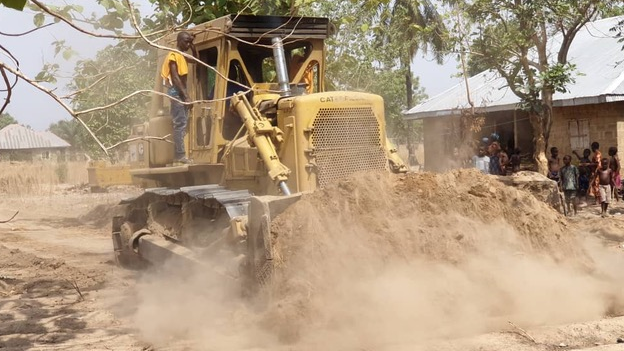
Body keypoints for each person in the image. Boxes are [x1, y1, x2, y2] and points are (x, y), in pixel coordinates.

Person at [160, 31, 197, 164]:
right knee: (180, 124)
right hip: (177, 93)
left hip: (181, 93)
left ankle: (181, 154)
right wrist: (186, 97)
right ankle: (180, 155)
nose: (187, 44)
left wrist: (193, 46)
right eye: (186, 42)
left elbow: (196, 60)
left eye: (189, 42)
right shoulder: (173, 55)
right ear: (179, 41)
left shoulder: (182, 55)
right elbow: (175, 78)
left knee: (183, 124)